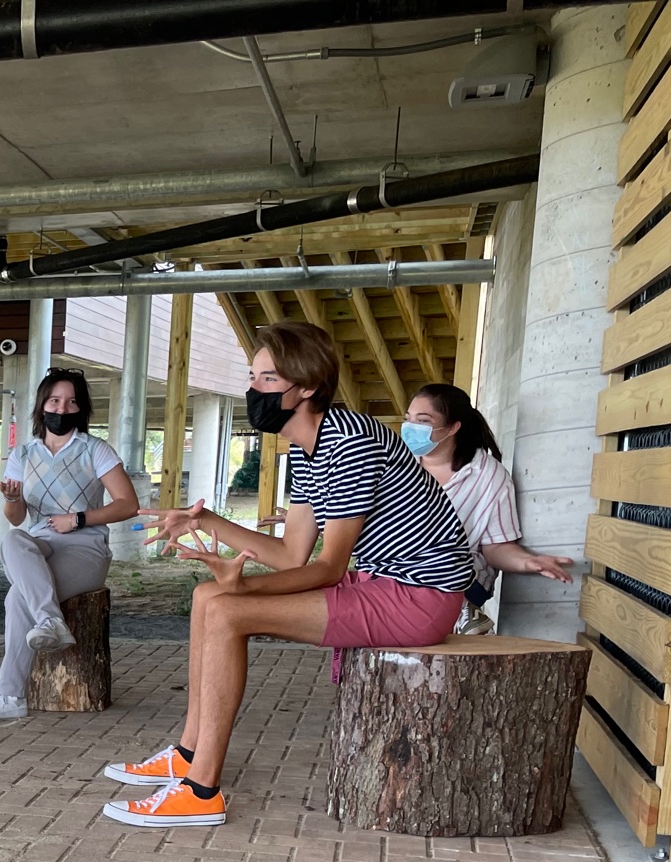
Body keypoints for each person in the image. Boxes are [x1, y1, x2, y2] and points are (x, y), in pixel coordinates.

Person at [102, 321, 474, 827]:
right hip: (380, 583)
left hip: (418, 596)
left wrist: (245, 587)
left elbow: (328, 567)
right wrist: (205, 521)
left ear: (308, 387)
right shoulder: (305, 447)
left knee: (228, 611)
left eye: (269, 379)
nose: (254, 389)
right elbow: (291, 555)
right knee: (209, 597)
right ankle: (188, 754)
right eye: (252, 376)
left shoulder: (350, 441)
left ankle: (201, 791)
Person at [0, 369, 141, 720]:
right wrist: (12, 499)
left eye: (72, 402)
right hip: (39, 542)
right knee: (12, 540)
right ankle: (50, 621)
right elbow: (16, 519)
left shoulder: (96, 450)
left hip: (86, 549)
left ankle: (9, 695)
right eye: (55, 401)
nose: (62, 409)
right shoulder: (22, 455)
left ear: (81, 408)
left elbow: (128, 504)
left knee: (18, 597)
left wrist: (77, 519)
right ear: (42, 405)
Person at [402, 382, 573, 633]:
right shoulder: (397, 465)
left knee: (432, 554)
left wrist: (528, 562)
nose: (410, 428)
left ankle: (462, 611)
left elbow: (496, 547)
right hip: (400, 573)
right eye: (408, 419)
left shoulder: (488, 476)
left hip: (462, 577)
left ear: (453, 427)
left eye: (423, 421)